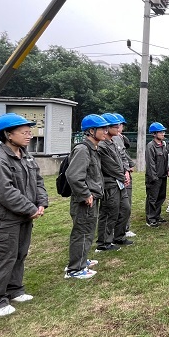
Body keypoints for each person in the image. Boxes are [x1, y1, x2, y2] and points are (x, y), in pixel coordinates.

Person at [0, 113, 48, 316]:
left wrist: (41, 202)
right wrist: (30, 208)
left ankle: (14, 290)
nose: (29, 135)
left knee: (19, 255)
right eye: (24, 132)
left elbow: (38, 181)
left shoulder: (26, 156)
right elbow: (5, 192)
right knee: (2, 258)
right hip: (4, 220)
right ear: (8, 135)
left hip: (24, 217)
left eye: (29, 131)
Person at [64, 114, 109, 279]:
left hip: (91, 198)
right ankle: (75, 269)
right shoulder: (83, 149)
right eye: (102, 128)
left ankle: (82, 260)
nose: (105, 131)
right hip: (85, 200)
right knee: (82, 232)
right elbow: (73, 175)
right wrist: (85, 194)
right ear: (91, 131)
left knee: (88, 231)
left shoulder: (93, 148)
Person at [95, 113, 130, 252]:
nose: (118, 128)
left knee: (125, 209)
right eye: (115, 126)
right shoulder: (102, 145)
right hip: (110, 184)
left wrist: (126, 171)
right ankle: (104, 242)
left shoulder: (114, 142)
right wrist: (123, 175)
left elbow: (121, 159)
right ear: (107, 128)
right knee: (109, 212)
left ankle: (119, 236)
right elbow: (110, 166)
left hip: (119, 182)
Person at [113, 113, 136, 238]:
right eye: (120, 125)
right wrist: (127, 168)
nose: (121, 128)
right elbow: (120, 156)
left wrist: (129, 165)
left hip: (123, 174)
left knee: (124, 204)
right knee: (122, 204)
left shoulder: (119, 137)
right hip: (120, 176)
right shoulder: (114, 138)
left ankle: (123, 229)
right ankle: (120, 229)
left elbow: (124, 152)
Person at [145, 122, 169, 227]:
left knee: (161, 197)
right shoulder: (150, 146)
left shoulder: (163, 144)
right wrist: (154, 178)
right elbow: (150, 164)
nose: (163, 133)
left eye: (163, 131)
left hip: (163, 176)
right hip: (154, 178)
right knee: (152, 198)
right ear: (154, 134)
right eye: (160, 132)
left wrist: (168, 169)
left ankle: (157, 216)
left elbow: (166, 159)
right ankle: (150, 219)